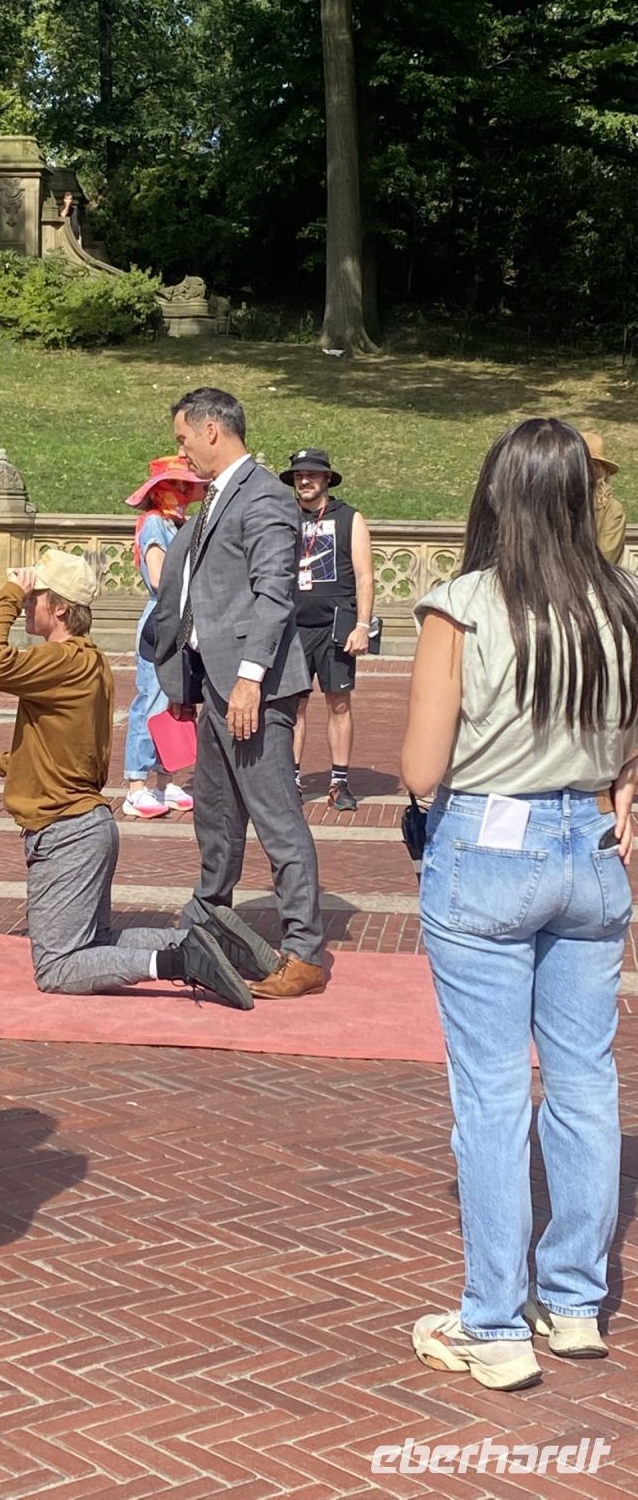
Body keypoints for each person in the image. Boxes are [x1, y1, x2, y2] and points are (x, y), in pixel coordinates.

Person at [402, 416, 638, 1392]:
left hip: (490, 844)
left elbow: (422, 769)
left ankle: (493, 1320)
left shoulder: (463, 605)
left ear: (498, 493)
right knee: (584, 1079)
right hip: (591, 846)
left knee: (493, 1093)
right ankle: (573, 1301)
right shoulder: (621, 601)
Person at [0, 550, 276, 1005]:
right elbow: (68, 742)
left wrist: (10, 593)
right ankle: (209, 938)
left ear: (60, 608)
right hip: (84, 827)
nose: (28, 603)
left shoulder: (63, 661)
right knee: (96, 941)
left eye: (35, 597)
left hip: (65, 832)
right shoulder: (86, 660)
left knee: (58, 967)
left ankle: (183, 960)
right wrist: (3, 763)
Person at [144, 388, 325, 999]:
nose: (182, 452)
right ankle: (209, 919)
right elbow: (198, 593)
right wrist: (183, 677)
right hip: (215, 684)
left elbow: (275, 595)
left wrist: (250, 679)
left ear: (212, 430)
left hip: (255, 690)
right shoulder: (217, 498)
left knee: (276, 818)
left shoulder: (265, 496)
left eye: (183, 439)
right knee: (216, 816)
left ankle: (304, 951)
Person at [281, 447, 375, 812]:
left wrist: (363, 624)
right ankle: (292, 779)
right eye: (299, 475)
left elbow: (365, 577)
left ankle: (339, 781)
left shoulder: (349, 518)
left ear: (326, 479)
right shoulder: (283, 516)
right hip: (292, 627)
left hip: (337, 627)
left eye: (312, 474)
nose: (305, 480)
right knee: (294, 706)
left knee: (338, 703)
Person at [121, 454, 209, 819]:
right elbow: (159, 578)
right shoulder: (156, 523)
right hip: (163, 618)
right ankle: (136, 784)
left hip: (182, 617)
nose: (185, 492)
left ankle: (165, 778)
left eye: (186, 486)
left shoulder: (178, 524)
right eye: (178, 485)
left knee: (177, 697)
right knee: (152, 697)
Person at [581, 428, 627, 565]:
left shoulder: (611, 510)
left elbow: (607, 559)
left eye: (589, 465)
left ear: (599, 470)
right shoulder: (553, 501)